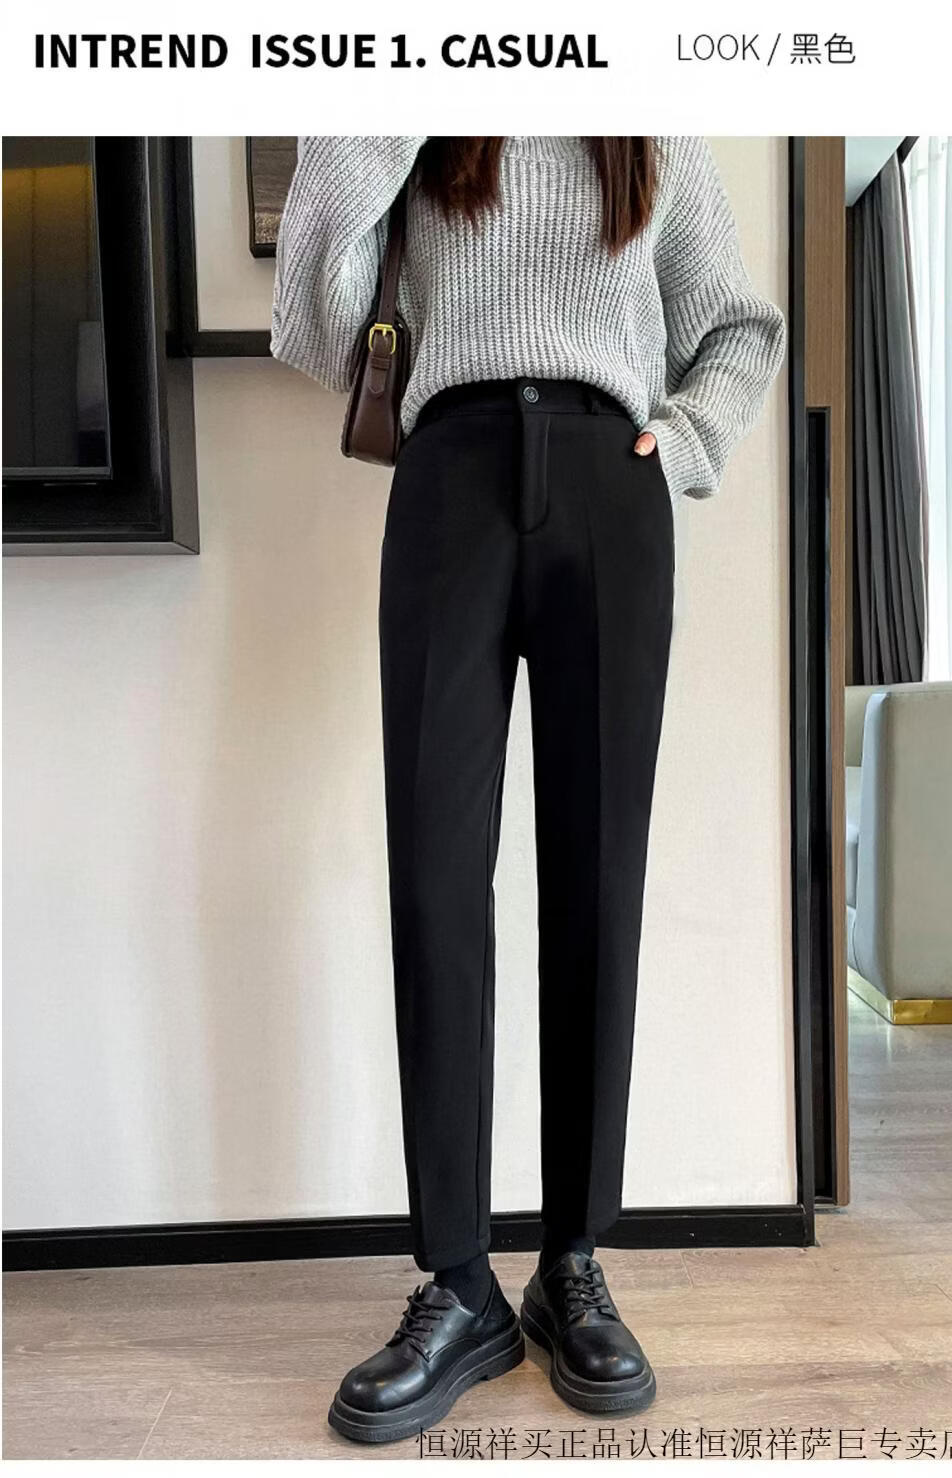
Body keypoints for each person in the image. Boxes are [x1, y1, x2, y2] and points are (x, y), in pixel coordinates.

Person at [272, 136, 785, 1443]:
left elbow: (740, 324)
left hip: (613, 488)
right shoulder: (419, 120)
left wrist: (681, 438)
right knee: (435, 884)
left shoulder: (648, 127)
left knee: (596, 882)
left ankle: (571, 1262)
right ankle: (457, 1282)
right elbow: (319, 319)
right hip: (447, 477)